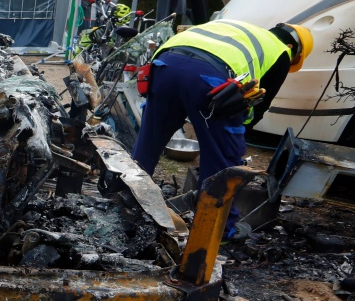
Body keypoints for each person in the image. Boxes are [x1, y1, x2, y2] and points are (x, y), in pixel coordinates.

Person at [130, 19, 312, 239]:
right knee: (222, 160)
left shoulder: (242, 31)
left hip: (164, 65)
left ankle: (126, 204)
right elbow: (260, 103)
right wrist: (236, 133)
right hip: (209, 76)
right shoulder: (281, 51)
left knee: (148, 144)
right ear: (292, 48)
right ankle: (216, 232)